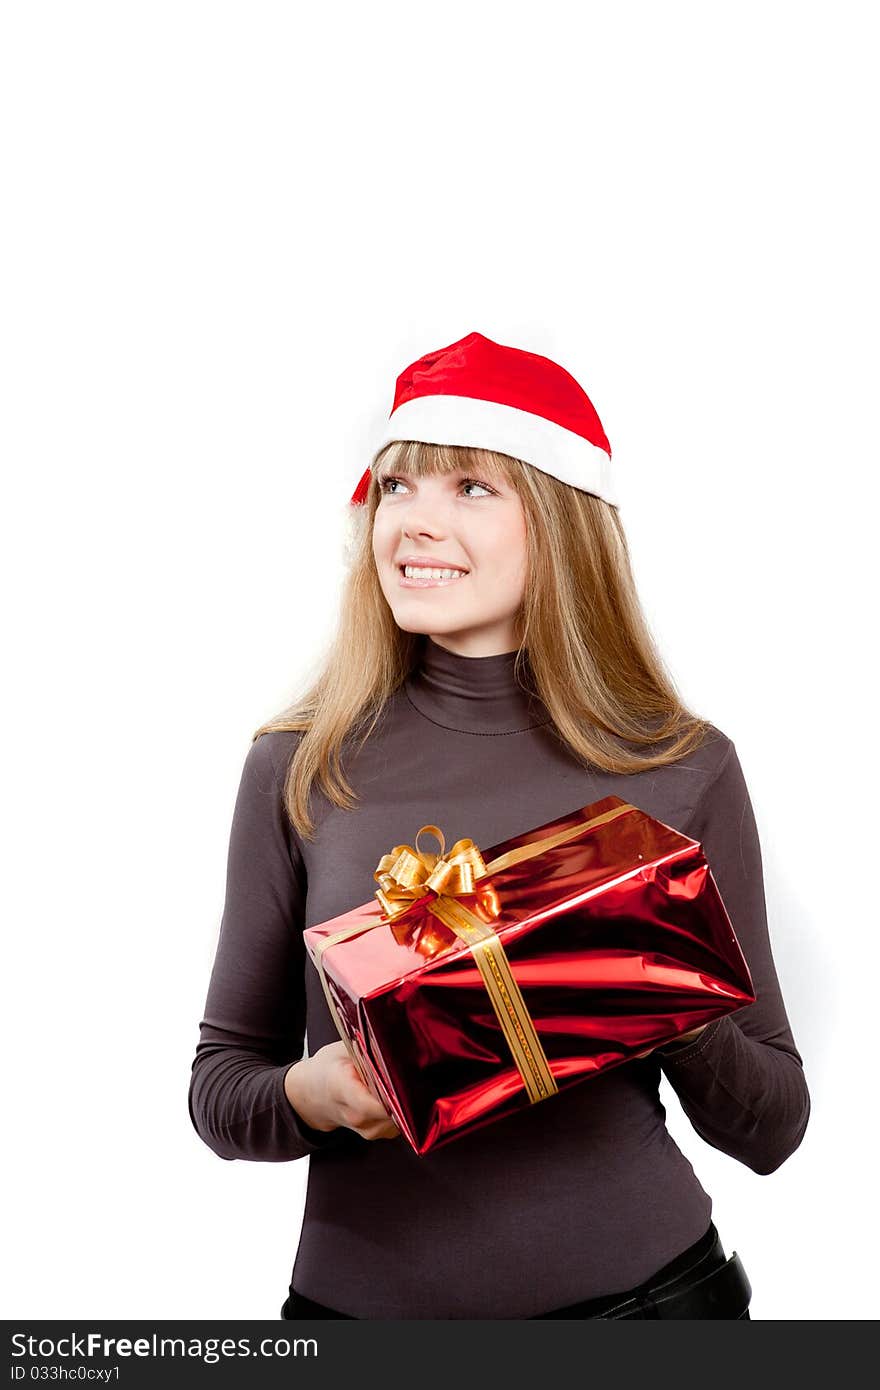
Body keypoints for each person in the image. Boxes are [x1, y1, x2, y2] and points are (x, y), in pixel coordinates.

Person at [188, 330, 810, 1319]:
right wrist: (315, 1094)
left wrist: (659, 978)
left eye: (470, 488)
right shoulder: (299, 762)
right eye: (397, 488)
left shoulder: (682, 764)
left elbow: (772, 1129)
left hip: (649, 1310)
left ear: (558, 523)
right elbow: (221, 1090)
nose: (413, 524)